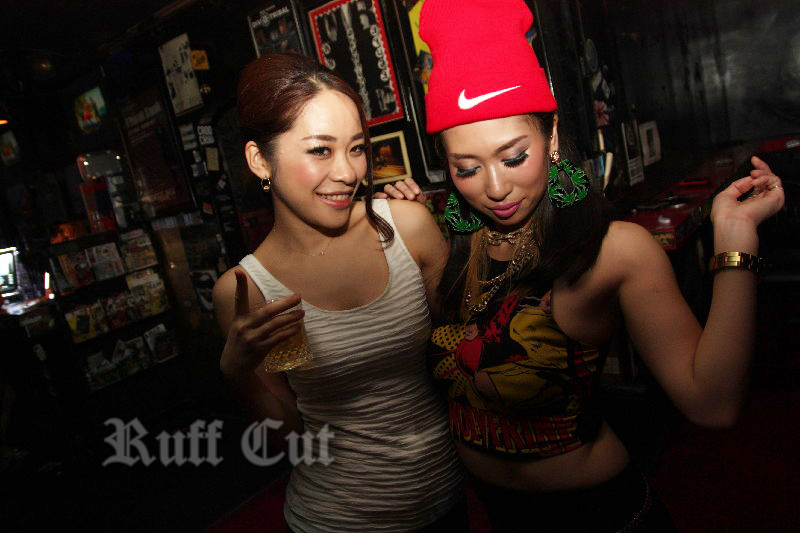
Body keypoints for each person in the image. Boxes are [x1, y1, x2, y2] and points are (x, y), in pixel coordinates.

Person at [377, 0, 786, 531]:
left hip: (601, 518)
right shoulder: (458, 241)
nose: (496, 188)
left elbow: (713, 404)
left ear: (550, 138)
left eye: (513, 157)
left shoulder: (615, 249)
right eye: (467, 168)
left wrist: (735, 242)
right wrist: (404, 221)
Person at [212, 53, 465, 532]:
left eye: (357, 148)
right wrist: (239, 374)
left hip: (448, 496)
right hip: (339, 518)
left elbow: (465, 349)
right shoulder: (248, 291)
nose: (349, 173)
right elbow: (285, 437)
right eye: (320, 151)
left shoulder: (407, 227)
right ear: (260, 160)